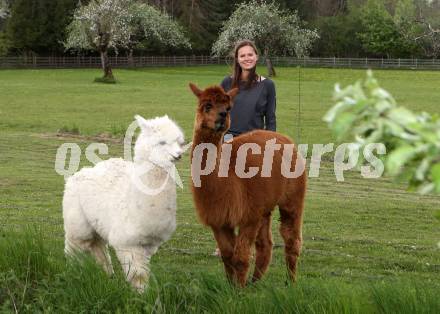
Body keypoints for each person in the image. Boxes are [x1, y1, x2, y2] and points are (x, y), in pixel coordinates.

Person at [213, 40, 277, 257]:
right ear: (237, 59)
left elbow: (271, 117)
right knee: (227, 194)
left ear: (256, 57)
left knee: (251, 197)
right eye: (243, 55)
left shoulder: (267, 85)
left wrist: (272, 143)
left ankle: (250, 241)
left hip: (255, 146)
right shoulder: (227, 83)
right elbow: (218, 114)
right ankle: (225, 242)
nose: (247, 58)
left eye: (250, 54)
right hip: (229, 143)